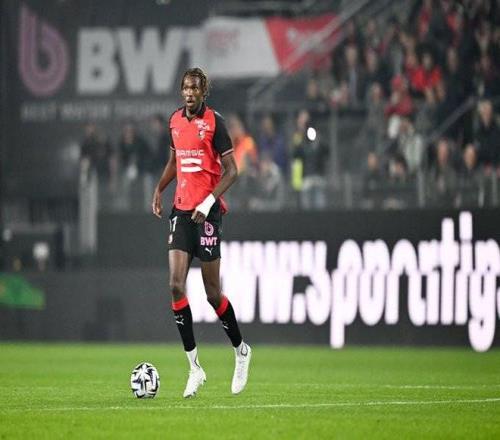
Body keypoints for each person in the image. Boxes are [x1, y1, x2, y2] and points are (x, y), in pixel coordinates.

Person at [151, 68, 251, 398]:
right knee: (175, 284)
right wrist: (159, 188)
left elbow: (232, 171)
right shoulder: (175, 121)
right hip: (181, 211)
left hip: (208, 215)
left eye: (194, 88)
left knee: (212, 293)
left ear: (203, 91)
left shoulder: (215, 122)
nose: (189, 93)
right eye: (185, 87)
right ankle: (194, 368)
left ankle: (241, 350)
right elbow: (174, 161)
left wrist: (209, 202)